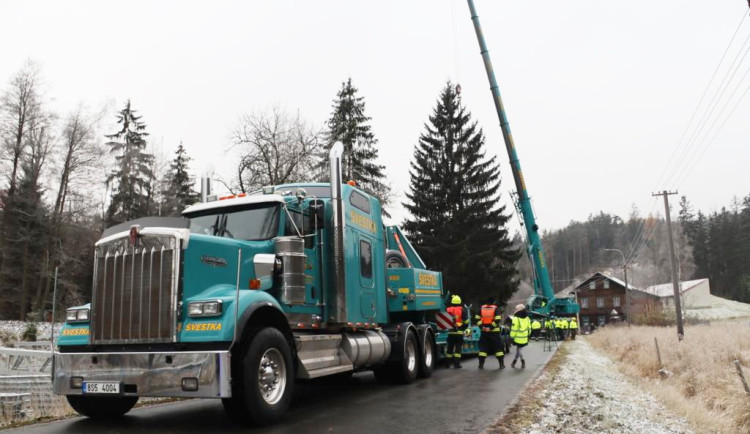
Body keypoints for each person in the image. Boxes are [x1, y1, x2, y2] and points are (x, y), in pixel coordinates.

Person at [474, 297, 504, 369]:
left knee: (483, 349)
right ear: (493, 302)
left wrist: (482, 327)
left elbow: (477, 318)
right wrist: (490, 328)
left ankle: (481, 365)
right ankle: (501, 364)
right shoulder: (495, 308)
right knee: (498, 348)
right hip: (494, 332)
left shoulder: (482, 308)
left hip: (484, 332)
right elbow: (497, 319)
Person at [445, 294, 469, 368]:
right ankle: (456, 364)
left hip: (450, 332)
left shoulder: (448, 309)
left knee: (449, 349)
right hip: (459, 332)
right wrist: (463, 328)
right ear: (459, 302)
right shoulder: (462, 310)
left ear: (452, 302)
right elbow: (466, 322)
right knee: (458, 349)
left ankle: (447, 364)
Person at [506, 304, 531, 368]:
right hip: (524, 337)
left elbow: (514, 329)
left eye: (516, 309)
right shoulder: (527, 318)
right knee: (518, 349)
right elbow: (529, 328)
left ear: (519, 310)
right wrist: (528, 335)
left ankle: (523, 362)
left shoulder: (516, 318)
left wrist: (511, 337)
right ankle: (514, 362)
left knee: (519, 350)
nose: (515, 310)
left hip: (518, 337)